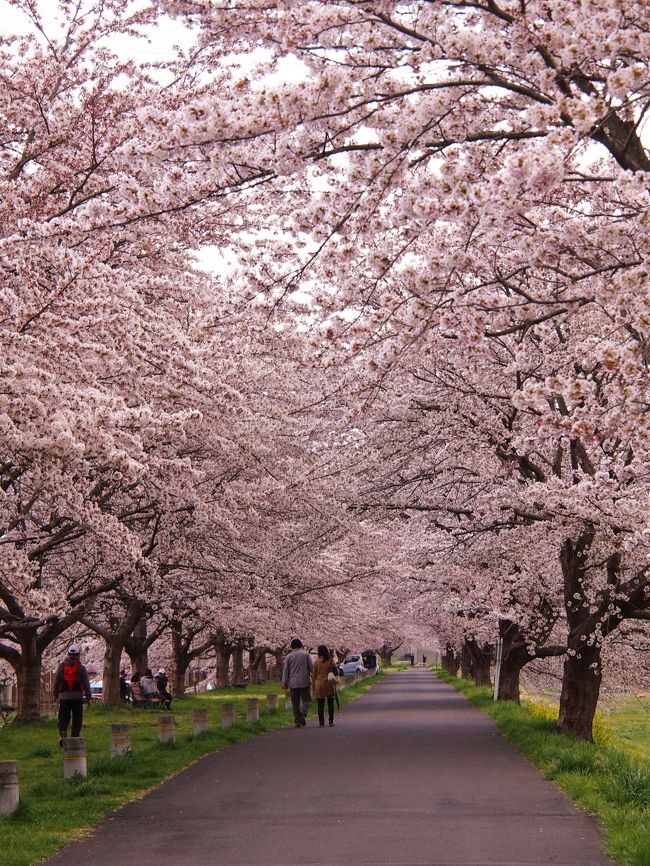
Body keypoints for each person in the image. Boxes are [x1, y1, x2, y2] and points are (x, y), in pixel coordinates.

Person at [53, 645, 92, 746]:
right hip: (77, 697)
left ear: (68, 654)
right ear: (78, 655)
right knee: (77, 718)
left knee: (63, 717)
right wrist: (89, 698)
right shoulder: (81, 668)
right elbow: (86, 683)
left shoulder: (61, 666)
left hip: (64, 697)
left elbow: (56, 681)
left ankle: (62, 733)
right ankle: (75, 737)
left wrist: (55, 695)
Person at [282, 638, 313, 728]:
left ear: (292, 646)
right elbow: (311, 667)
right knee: (307, 700)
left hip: (293, 683)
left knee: (295, 703)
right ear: (301, 646)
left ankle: (297, 721)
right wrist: (315, 677)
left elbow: (285, 671)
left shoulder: (289, 657)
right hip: (305, 682)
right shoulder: (306, 654)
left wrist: (285, 682)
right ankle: (303, 714)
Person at [312, 644, 336, 727]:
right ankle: (331, 721)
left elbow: (314, 675)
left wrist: (313, 687)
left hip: (319, 684)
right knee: (330, 703)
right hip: (329, 683)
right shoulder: (331, 661)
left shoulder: (316, 662)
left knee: (320, 704)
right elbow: (336, 672)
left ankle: (321, 722)